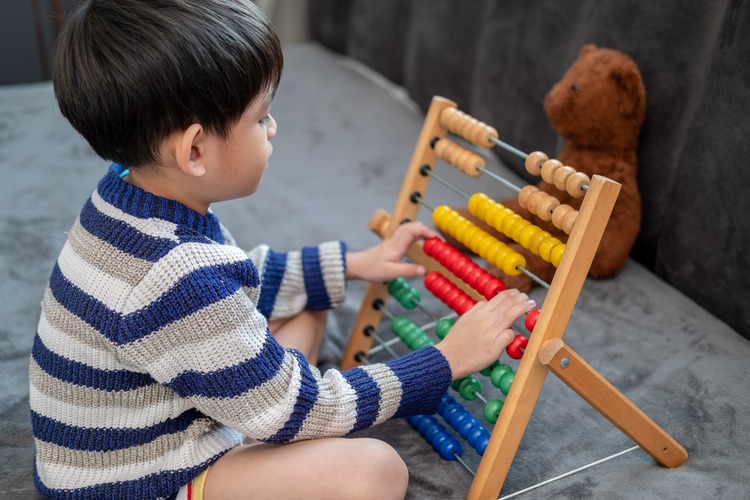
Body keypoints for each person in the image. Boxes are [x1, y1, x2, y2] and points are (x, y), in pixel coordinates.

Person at [29, 1, 536, 499]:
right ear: (195, 151)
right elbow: (299, 406)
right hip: (139, 480)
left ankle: (252, 417)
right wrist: (445, 360)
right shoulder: (175, 277)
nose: (274, 128)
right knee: (374, 472)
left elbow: (232, 279)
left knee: (309, 303)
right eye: (261, 118)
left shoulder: (130, 192)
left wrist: (353, 265)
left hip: (147, 424)